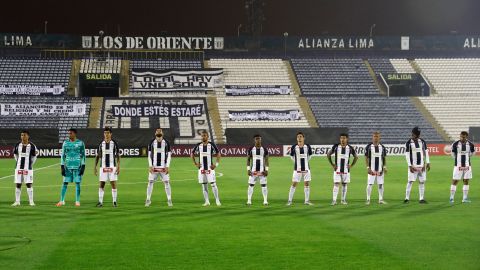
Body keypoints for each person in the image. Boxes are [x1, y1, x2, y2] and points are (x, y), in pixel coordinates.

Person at [56, 128, 86, 207]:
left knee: (77, 183)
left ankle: (77, 201)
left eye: (71, 133)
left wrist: (83, 165)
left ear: (75, 134)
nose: (69, 135)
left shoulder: (80, 143)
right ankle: (62, 200)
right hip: (67, 167)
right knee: (65, 183)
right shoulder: (65, 143)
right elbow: (62, 155)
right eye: (69, 133)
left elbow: (83, 155)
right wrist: (62, 166)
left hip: (77, 166)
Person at [191, 131, 221, 206]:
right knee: (204, 185)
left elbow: (218, 153)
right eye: (202, 136)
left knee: (213, 184)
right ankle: (207, 201)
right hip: (201, 169)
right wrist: (195, 163)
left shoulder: (211, 145)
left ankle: (217, 200)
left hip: (210, 168)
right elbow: (192, 153)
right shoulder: (198, 145)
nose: (202, 137)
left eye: (204, 136)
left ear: (207, 137)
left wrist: (216, 164)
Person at [327, 133, 358, 205]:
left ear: (347, 139)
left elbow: (356, 157)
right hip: (337, 170)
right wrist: (332, 164)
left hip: (346, 170)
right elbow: (328, 154)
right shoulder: (336, 147)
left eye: (344, 138)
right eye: (341, 138)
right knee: (336, 184)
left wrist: (351, 165)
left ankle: (343, 200)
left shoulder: (350, 148)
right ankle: (334, 200)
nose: (342, 140)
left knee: (344, 184)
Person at [145, 128, 173, 207]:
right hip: (154, 167)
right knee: (150, 182)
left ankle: (169, 199)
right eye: (157, 132)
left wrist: (167, 166)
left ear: (162, 133)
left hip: (163, 167)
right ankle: (148, 199)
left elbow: (169, 155)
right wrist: (150, 165)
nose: (159, 133)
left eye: (160, 132)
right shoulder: (151, 142)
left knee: (167, 182)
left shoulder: (166, 142)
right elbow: (149, 155)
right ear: (155, 133)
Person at [94, 127, 120, 207]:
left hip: (112, 167)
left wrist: (118, 167)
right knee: (102, 184)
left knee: (113, 184)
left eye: (108, 133)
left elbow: (118, 156)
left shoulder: (114, 143)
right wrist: (95, 167)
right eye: (105, 133)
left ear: (111, 134)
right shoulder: (101, 143)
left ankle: (114, 202)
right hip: (103, 167)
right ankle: (100, 202)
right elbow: (98, 156)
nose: (106, 134)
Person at [404, 127, 430, 204]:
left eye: (418, 134)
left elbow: (426, 152)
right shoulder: (409, 143)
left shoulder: (422, 141)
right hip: (413, 166)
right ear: (413, 134)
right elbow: (407, 155)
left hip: (422, 166)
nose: (418, 136)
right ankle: (406, 198)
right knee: (410, 181)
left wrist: (428, 162)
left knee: (422, 182)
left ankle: (421, 198)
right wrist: (409, 165)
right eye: (416, 134)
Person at [287, 132, 314, 206]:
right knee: (294, 184)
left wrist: (306, 162)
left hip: (306, 169)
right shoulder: (294, 147)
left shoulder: (307, 146)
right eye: (298, 137)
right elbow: (291, 156)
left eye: (301, 136)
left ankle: (307, 201)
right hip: (297, 169)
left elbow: (310, 156)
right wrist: (296, 162)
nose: (299, 138)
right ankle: (289, 201)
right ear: (296, 138)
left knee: (307, 184)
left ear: (303, 138)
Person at [11, 130, 37, 207]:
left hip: (28, 168)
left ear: (28, 136)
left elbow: (34, 157)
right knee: (18, 184)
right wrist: (18, 163)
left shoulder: (32, 146)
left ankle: (31, 202)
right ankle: (17, 201)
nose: (23, 137)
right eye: (22, 135)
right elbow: (15, 155)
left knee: (29, 184)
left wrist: (30, 164)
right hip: (18, 168)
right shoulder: (17, 145)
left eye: (24, 135)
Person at [449, 131, 475, 204]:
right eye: (461, 136)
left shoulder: (470, 144)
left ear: (466, 137)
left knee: (466, 181)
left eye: (463, 137)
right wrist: (458, 160)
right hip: (458, 166)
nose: (462, 138)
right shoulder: (455, 144)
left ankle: (464, 198)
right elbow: (453, 153)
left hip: (467, 166)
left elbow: (472, 153)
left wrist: (467, 159)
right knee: (455, 181)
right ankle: (451, 197)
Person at [365, 131, 387, 205]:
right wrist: (368, 167)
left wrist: (384, 167)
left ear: (379, 137)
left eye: (377, 136)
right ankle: (368, 199)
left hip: (380, 170)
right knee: (370, 184)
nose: (375, 138)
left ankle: (380, 199)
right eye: (374, 136)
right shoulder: (369, 147)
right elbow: (366, 157)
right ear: (372, 137)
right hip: (372, 169)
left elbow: (383, 158)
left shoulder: (382, 147)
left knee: (380, 184)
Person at [246, 134, 269, 206]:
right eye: (256, 139)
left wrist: (267, 170)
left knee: (264, 185)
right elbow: (248, 160)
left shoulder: (264, 149)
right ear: (254, 140)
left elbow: (267, 160)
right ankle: (249, 200)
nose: (258, 140)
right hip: (253, 171)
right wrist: (248, 169)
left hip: (262, 171)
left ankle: (265, 201)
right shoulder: (251, 149)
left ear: (261, 139)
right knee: (251, 185)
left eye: (259, 138)